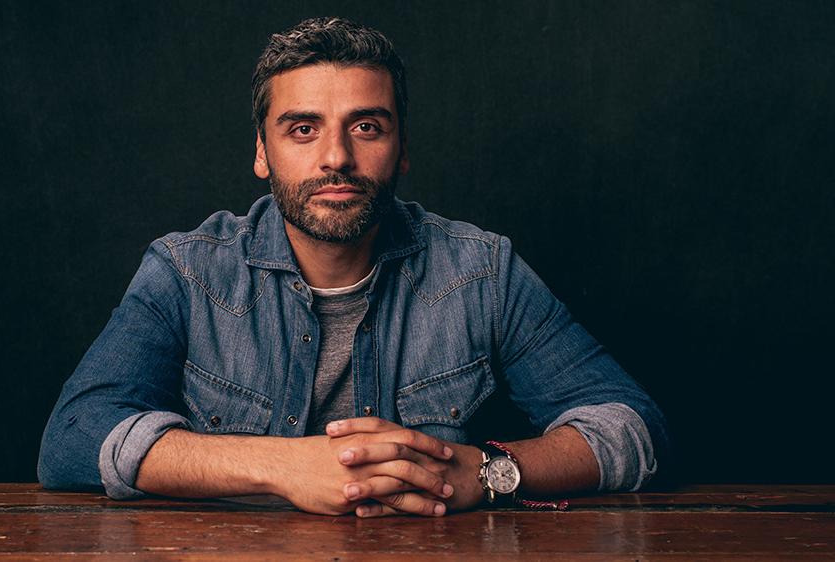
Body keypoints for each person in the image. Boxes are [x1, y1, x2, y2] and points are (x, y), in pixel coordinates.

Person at [38, 17, 672, 518]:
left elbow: (630, 426)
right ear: (263, 151)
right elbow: (73, 438)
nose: (336, 157)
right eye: (303, 129)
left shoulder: (482, 272)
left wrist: (483, 470)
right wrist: (281, 467)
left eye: (365, 126)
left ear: (401, 149)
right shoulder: (185, 272)